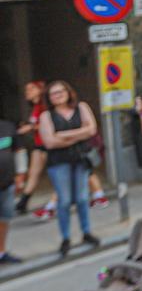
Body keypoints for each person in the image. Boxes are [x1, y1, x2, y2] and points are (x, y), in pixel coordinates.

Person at [38, 80, 99, 257]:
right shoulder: (46, 116)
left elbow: (92, 130)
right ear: (49, 98)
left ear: (69, 92)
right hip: (59, 162)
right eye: (54, 94)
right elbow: (49, 142)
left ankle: (86, 232)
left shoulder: (81, 107)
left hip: (80, 159)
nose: (58, 95)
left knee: (81, 198)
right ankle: (65, 238)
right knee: (63, 201)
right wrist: (79, 134)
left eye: (61, 92)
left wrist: (63, 136)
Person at [14, 81, 47, 216]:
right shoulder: (35, 107)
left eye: (31, 89)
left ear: (40, 90)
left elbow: (48, 124)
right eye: (26, 90)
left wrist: (30, 127)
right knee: (33, 173)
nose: (27, 92)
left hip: (48, 144)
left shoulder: (44, 106)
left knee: (55, 172)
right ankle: (23, 202)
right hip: (38, 144)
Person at [0, 117, 20, 264]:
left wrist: (21, 175)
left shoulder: (7, 126)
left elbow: (18, 151)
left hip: (7, 183)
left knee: (4, 219)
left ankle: (1, 252)